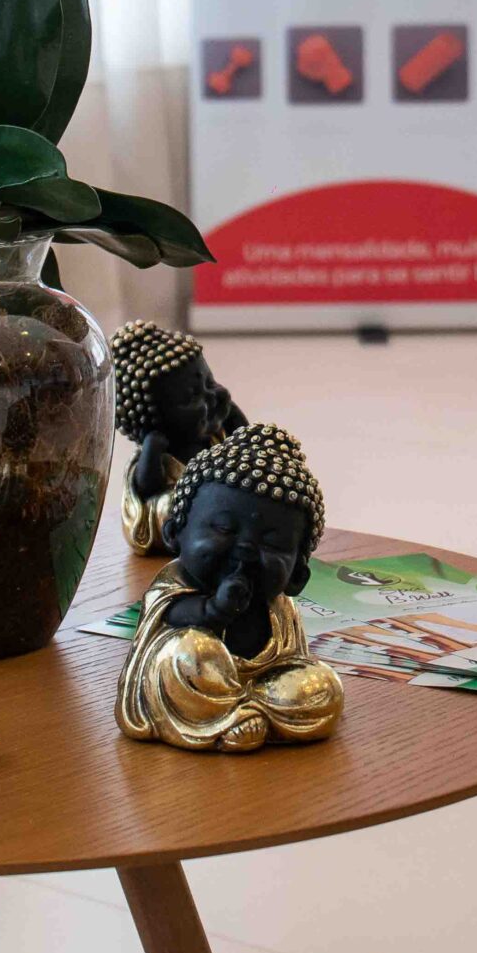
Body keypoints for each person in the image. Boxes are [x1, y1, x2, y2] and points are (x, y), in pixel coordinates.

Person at [117, 425, 344, 753]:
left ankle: (244, 712)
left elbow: (293, 663)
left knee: (324, 687)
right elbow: (174, 616)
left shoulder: (281, 608)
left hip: (265, 683)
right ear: (173, 533)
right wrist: (214, 610)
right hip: (199, 680)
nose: (246, 549)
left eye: (272, 543)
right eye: (224, 528)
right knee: (188, 653)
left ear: (297, 576)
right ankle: (232, 716)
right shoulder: (174, 582)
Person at [110, 320, 245, 554]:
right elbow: (147, 487)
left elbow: (246, 442)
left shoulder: (217, 436)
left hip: (223, 502)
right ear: (154, 420)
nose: (211, 396)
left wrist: (232, 413)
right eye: (192, 397)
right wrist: (152, 450)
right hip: (187, 508)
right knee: (171, 505)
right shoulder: (158, 453)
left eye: (210, 383)